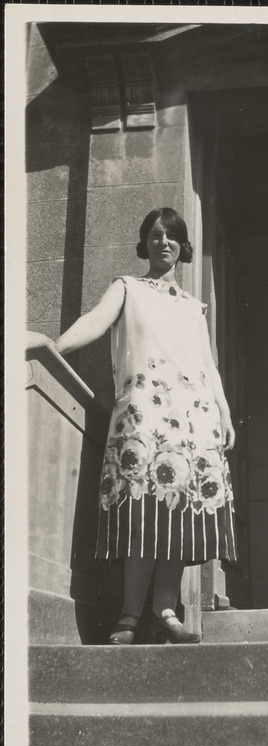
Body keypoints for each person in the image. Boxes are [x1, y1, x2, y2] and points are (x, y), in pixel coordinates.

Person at [35, 208, 238, 644]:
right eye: (155, 235)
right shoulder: (127, 288)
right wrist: (53, 346)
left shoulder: (193, 307)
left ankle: (166, 610)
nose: (163, 242)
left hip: (194, 422)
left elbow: (209, 365)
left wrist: (221, 411)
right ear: (144, 243)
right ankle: (129, 615)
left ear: (183, 247)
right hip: (143, 415)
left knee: (182, 514)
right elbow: (95, 321)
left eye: (171, 236)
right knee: (142, 510)